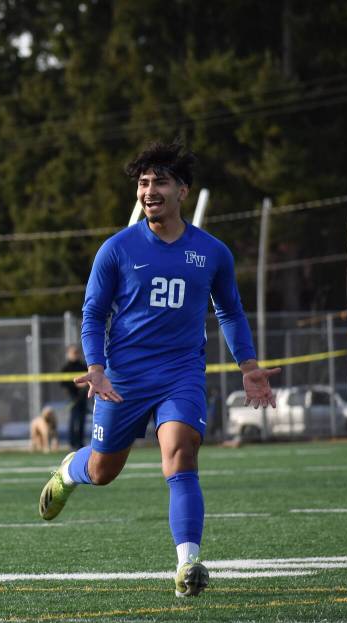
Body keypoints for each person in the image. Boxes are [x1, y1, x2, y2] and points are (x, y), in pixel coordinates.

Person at [40, 141, 280, 598]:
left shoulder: (212, 252)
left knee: (182, 455)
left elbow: (229, 312)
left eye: (160, 182)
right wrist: (96, 367)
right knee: (104, 470)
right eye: (143, 183)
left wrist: (248, 365)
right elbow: (93, 314)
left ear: (182, 191)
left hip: (181, 374)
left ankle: (188, 564)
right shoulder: (117, 249)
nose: (149, 191)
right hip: (123, 378)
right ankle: (71, 471)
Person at [59, 345, 89, 448]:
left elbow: (89, 378)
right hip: (72, 397)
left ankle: (80, 443)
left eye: (77, 352)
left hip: (83, 397)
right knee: (73, 420)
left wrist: (85, 385)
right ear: (68, 354)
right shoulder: (66, 368)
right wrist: (75, 385)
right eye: (73, 353)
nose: (75, 355)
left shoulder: (83, 366)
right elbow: (63, 383)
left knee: (81, 420)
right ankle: (72, 443)